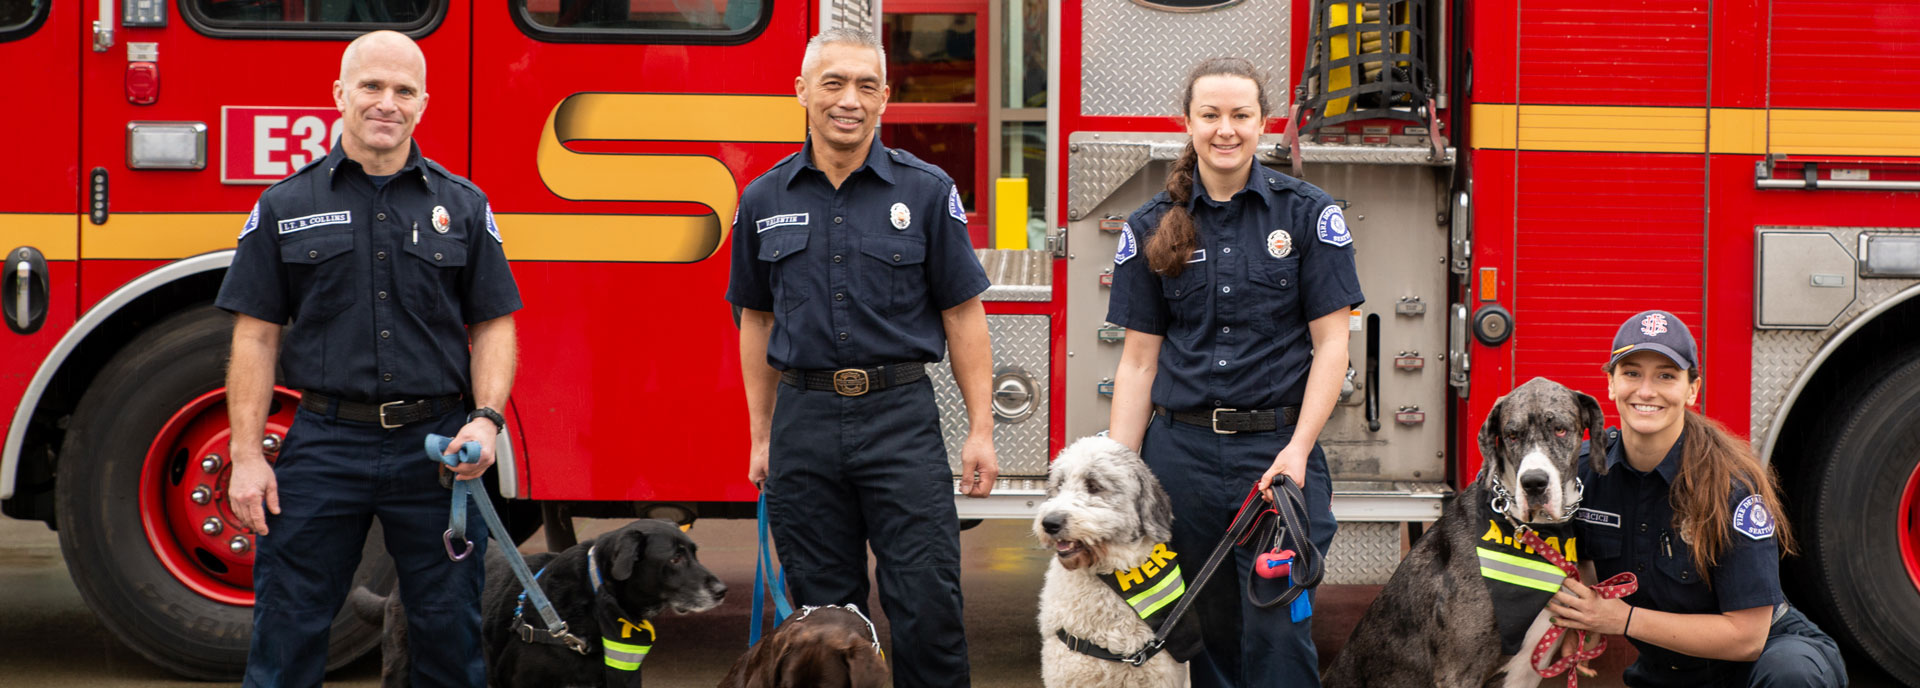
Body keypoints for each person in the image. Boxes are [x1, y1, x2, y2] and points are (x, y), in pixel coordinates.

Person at [218, 30, 521, 688]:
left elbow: (494, 323)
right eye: (372, 87)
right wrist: (245, 455)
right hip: (326, 443)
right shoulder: (286, 205)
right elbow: (255, 335)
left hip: (437, 449)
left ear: (423, 104)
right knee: (287, 632)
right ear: (340, 95)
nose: (388, 102)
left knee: (448, 636)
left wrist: (487, 420)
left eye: (404, 90)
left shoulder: (462, 206)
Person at [724, 27, 999, 688]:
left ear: (885, 99)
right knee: (822, 626)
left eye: (866, 86)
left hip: (900, 418)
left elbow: (963, 315)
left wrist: (983, 430)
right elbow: (755, 319)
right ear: (802, 91)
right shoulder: (764, 199)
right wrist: (763, 435)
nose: (850, 99)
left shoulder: (928, 192)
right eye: (834, 83)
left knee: (928, 609)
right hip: (805, 421)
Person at [1105, 57, 1365, 687]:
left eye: (1240, 115)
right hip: (1181, 460)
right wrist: (1117, 471)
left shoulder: (1306, 215)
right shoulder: (1147, 227)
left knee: (1279, 626)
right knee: (1205, 632)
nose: (1227, 129)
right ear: (1188, 123)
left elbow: (1333, 346)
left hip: (1275, 459)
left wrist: (1298, 452)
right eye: (1211, 115)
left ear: (1262, 121)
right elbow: (1139, 360)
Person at [1547, 310, 1846, 688]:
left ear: (1692, 389)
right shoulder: (1585, 472)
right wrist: (1581, 618)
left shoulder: (1731, 485)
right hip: (1668, 672)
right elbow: (1580, 557)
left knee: (1792, 674)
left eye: (1666, 376)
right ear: (1610, 384)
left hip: (1762, 663)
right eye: (1632, 372)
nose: (1646, 391)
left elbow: (1748, 637)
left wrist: (1619, 619)